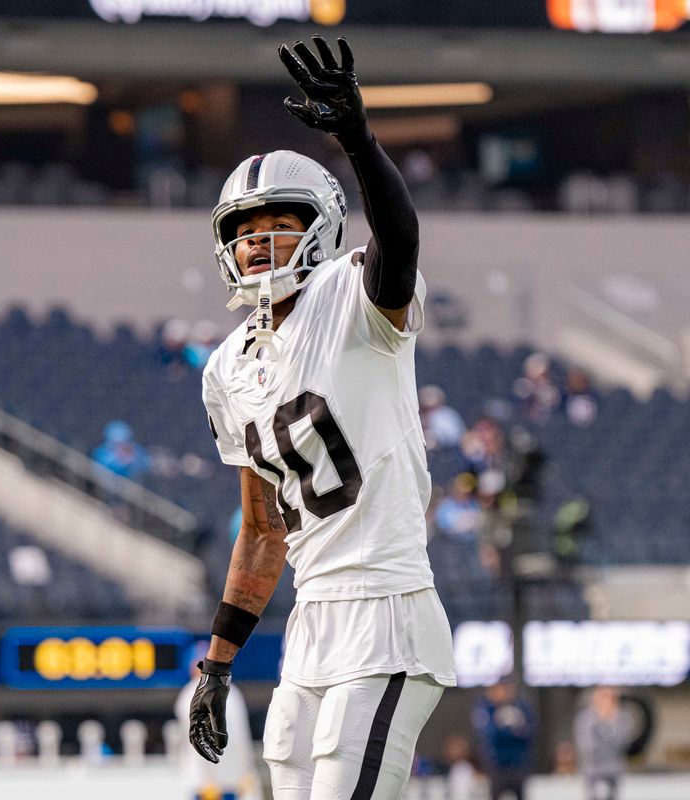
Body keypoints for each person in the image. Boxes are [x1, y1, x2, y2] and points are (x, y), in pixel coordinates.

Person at [188, 36, 457, 800]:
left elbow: (400, 240)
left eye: (275, 221)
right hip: (311, 621)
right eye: (241, 229)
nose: (256, 239)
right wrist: (217, 661)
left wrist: (357, 140)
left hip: (389, 608)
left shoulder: (355, 299)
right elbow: (263, 529)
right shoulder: (226, 368)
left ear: (322, 224)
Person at [176, 647, 258, 800]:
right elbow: (194, 739)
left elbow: (241, 738)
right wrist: (205, 778)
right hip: (204, 783)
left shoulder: (231, 692)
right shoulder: (191, 693)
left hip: (229, 780)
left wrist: (246, 771)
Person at [472, 680, 536, 800]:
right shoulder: (487, 708)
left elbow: (530, 733)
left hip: (518, 765)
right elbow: (489, 734)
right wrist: (511, 731)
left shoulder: (522, 707)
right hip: (497, 767)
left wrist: (508, 731)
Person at [574, 687, 634, 800]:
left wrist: (611, 722)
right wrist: (598, 719)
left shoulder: (622, 718)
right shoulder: (585, 718)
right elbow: (586, 746)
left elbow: (624, 743)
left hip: (614, 768)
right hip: (592, 769)